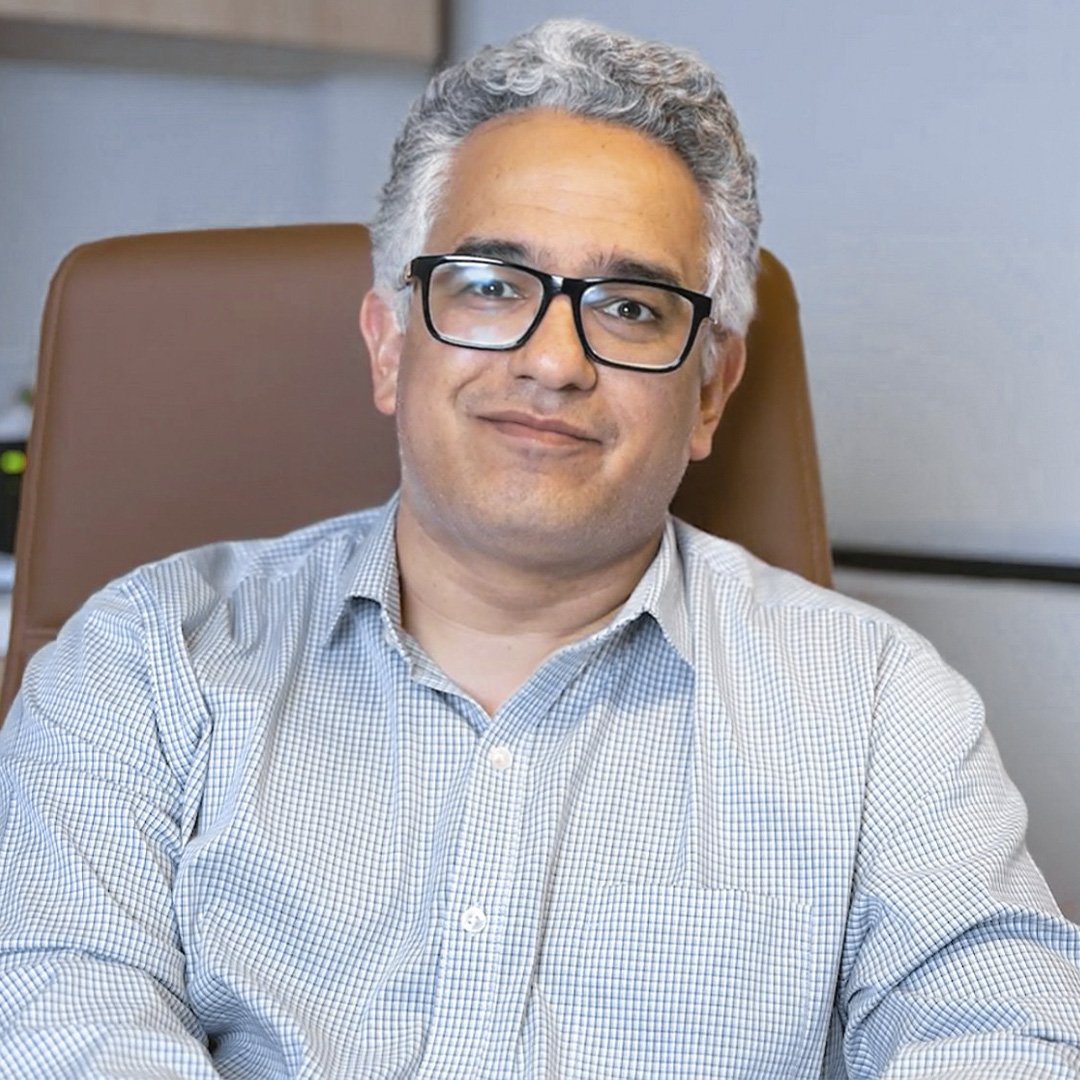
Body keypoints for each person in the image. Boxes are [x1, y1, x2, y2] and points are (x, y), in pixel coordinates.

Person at [1, 18, 1079, 1079]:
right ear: (390, 347)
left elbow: (1009, 1036)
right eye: (489, 286)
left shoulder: (878, 707)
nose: (554, 362)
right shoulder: (147, 659)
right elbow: (59, 1019)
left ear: (709, 393)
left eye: (631, 308)